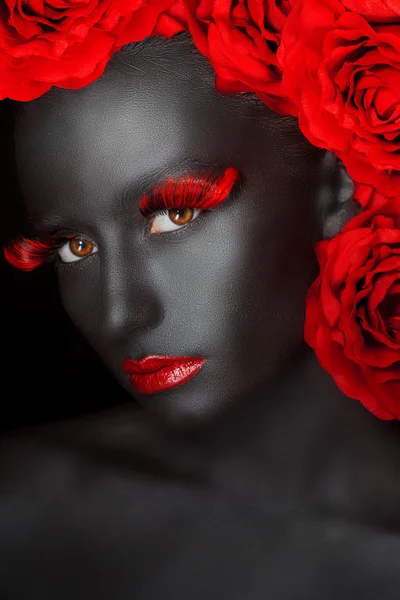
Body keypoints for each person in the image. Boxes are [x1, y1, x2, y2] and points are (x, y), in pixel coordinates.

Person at [1, 2, 400, 598]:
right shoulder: (22, 508)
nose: (120, 312)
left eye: (176, 214)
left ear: (334, 182)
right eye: (76, 247)